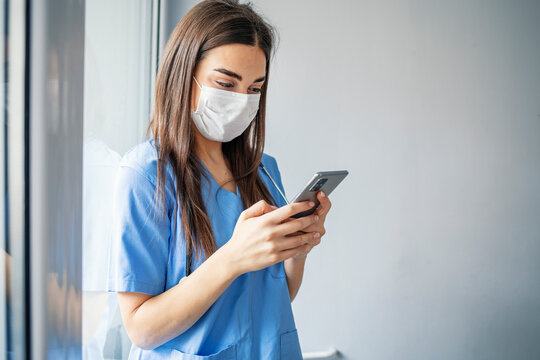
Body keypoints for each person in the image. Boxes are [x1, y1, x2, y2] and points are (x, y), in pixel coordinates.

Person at [107, 0, 333, 358]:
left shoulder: (263, 170)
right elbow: (141, 328)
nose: (241, 102)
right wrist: (232, 258)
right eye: (226, 83)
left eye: (254, 89)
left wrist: (297, 250)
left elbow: (274, 297)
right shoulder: (145, 175)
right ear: (185, 74)